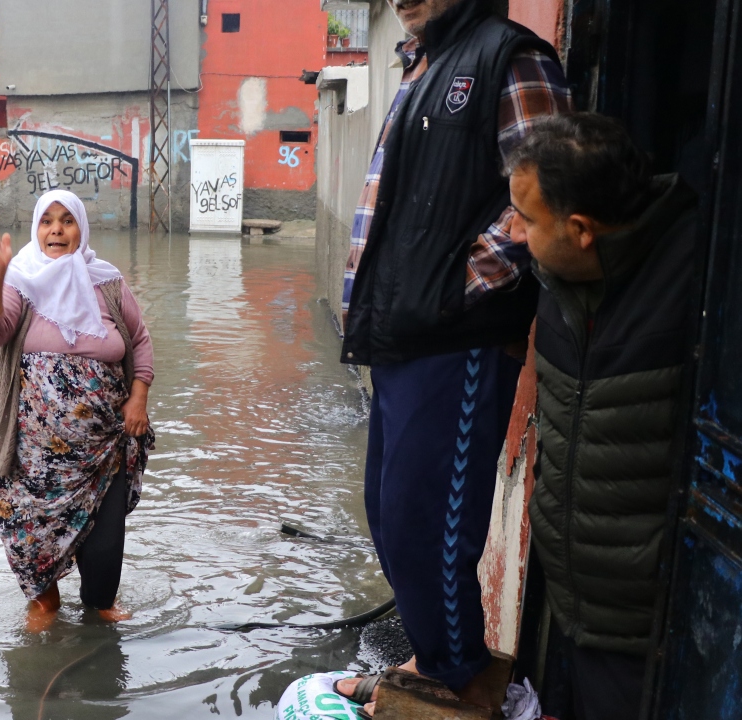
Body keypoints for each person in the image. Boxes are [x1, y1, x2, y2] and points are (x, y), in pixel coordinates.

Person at [335, 0, 569, 713]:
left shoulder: (509, 56)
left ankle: (453, 673)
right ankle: (431, 656)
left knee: (425, 517)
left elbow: (546, 190)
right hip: (402, 331)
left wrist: (453, 287)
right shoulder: (420, 65)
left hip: (456, 337)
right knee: (388, 508)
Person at [505, 113, 700, 720]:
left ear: (582, 229)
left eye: (528, 219)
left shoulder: (697, 279)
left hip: (654, 626)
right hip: (578, 607)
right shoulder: (556, 275)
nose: (513, 232)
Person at [0, 189, 155, 632]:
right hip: (32, 454)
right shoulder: (21, 281)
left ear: (81, 229)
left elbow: (140, 340)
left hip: (103, 444)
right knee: (31, 536)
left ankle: (100, 603)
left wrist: (138, 396)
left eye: (67, 220)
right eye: (47, 220)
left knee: (106, 545)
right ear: (36, 229)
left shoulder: (107, 282)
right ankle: (44, 603)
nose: (56, 229)